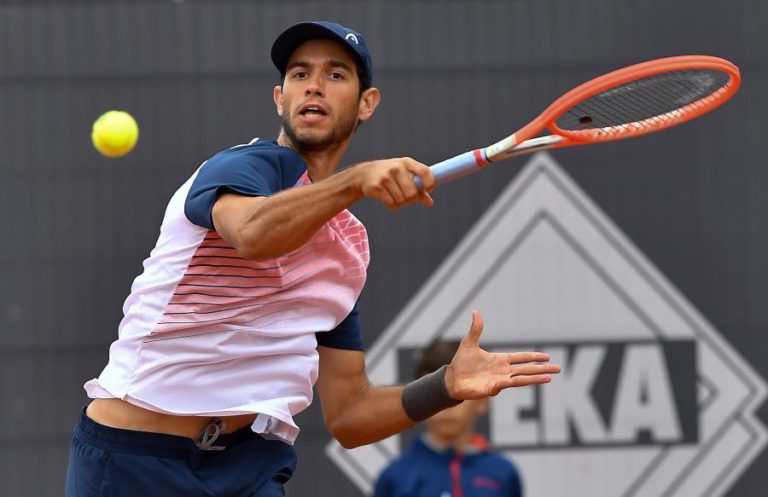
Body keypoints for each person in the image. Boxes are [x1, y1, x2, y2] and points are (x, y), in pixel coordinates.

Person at [65, 21, 560, 497]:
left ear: (367, 104)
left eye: (335, 74)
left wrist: (445, 386)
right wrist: (354, 181)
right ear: (280, 98)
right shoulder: (241, 167)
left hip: (246, 465)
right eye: (299, 74)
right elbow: (254, 235)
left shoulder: (347, 248)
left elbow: (350, 415)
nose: (314, 86)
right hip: (136, 462)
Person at [374, 340, 524, 497]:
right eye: (435, 394)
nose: (446, 406)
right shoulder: (395, 477)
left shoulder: (504, 473)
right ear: (419, 401)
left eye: (459, 393)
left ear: (482, 401)